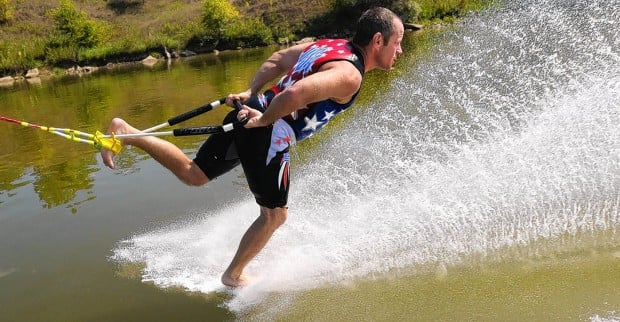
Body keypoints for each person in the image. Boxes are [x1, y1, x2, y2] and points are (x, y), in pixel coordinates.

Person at [101, 7, 404, 287]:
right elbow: (295, 93)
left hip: (253, 111)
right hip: (267, 130)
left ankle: (127, 133)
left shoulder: (329, 45)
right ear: (378, 40)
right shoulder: (350, 75)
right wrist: (264, 121)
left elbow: (279, 58)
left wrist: (251, 91)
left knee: (195, 174)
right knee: (275, 216)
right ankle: (233, 276)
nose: (400, 50)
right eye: (398, 42)